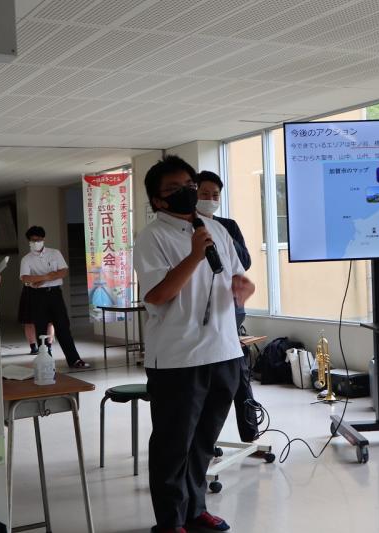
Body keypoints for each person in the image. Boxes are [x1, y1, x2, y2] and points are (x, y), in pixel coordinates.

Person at [135, 156, 255, 533]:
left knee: (204, 442)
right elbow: (157, 295)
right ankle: (170, 522)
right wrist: (193, 256)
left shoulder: (216, 229)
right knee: (173, 446)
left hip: (224, 352)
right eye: (174, 189)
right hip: (178, 359)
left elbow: (238, 277)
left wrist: (243, 288)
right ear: (158, 200)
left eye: (189, 185)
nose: (187, 192)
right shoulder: (152, 237)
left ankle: (195, 509)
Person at [195, 170, 260, 443]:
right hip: (198, 313)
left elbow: (244, 262)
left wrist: (222, 236)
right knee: (216, 374)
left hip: (230, 309)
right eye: (204, 194)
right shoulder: (187, 227)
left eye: (215, 195)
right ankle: (205, 440)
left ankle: (250, 431)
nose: (210, 199)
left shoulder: (228, 225)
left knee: (236, 369)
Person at [18, 226, 90, 369]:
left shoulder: (54, 253)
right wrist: (48, 276)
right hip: (37, 296)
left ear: (43, 239)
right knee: (41, 329)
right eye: (32, 240)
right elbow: (25, 278)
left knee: (63, 327)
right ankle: (47, 362)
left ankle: (74, 360)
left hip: (55, 294)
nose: (35, 242)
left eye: (38, 239)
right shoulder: (26, 259)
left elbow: (63, 272)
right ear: (29, 241)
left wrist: (42, 279)